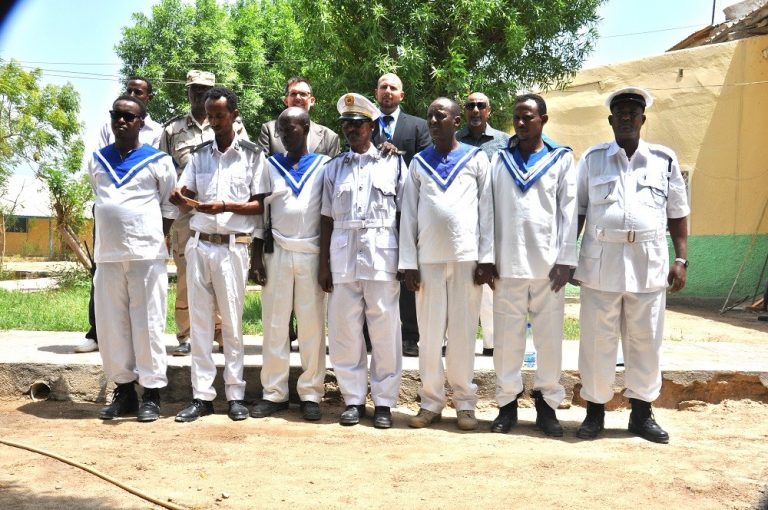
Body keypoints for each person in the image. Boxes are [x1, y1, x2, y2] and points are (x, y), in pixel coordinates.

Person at [573, 87, 689, 444]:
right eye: (620, 112)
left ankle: (641, 414)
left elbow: (678, 214)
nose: (626, 117)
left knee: (645, 340)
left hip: (648, 263)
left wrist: (681, 258)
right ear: (611, 120)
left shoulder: (663, 160)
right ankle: (595, 412)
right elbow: (577, 211)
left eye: (632, 112)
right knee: (596, 340)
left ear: (643, 119)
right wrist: (567, 259)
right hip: (600, 262)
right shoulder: (592, 160)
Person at [399, 97, 494, 431]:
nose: (433, 122)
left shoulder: (476, 159)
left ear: (457, 121)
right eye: (429, 117)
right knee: (428, 335)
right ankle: (430, 402)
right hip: (428, 262)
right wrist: (408, 263)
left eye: (440, 116)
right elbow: (408, 215)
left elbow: (487, 212)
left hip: (467, 259)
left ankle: (465, 404)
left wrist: (487, 259)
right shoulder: (418, 163)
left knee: (463, 335)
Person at [172, 87, 265, 422]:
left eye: (219, 115)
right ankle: (202, 396)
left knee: (233, 325)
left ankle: (236, 394)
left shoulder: (253, 155)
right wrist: (180, 196)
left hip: (232, 247)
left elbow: (259, 205)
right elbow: (187, 190)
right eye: (210, 115)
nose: (213, 121)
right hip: (199, 244)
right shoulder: (199, 155)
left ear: (234, 115)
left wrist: (225, 206)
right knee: (200, 324)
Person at [489, 94, 577, 437]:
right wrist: (488, 258)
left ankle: (546, 405)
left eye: (528, 117)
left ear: (544, 119)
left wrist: (566, 259)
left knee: (549, 340)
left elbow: (569, 213)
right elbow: (488, 211)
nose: (521, 123)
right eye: (516, 118)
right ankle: (506, 405)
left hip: (548, 268)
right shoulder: (500, 160)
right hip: (506, 265)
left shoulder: (560, 159)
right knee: (507, 340)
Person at [86, 95, 177, 421]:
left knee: (148, 323)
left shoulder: (159, 161)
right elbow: (100, 201)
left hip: (146, 255)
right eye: (117, 116)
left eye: (129, 117)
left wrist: (155, 238)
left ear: (142, 122)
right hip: (108, 255)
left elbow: (169, 206)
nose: (122, 121)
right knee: (112, 325)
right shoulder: (97, 160)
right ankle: (123, 391)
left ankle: (151, 393)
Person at [319, 92, 405, 429]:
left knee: (384, 329)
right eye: (346, 125)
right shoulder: (333, 168)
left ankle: (384, 401)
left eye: (358, 124)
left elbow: (406, 214)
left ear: (372, 126)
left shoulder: (393, 162)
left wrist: (407, 260)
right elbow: (326, 217)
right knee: (345, 330)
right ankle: (353, 399)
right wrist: (323, 265)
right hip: (342, 253)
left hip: (381, 252)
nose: (352, 130)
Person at [160, 70, 249, 356]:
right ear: (187, 92)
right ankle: (186, 335)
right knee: (188, 273)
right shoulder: (173, 129)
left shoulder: (234, 124)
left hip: (225, 215)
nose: (198, 95)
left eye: (204, 90)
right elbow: (163, 172)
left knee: (222, 274)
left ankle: (221, 333)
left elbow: (244, 162)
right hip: (186, 215)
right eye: (193, 90)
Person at [249, 107, 329, 421]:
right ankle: (274, 393)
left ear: (307, 127)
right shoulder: (269, 165)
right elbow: (260, 212)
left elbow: (327, 216)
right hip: (276, 250)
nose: (285, 135)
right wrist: (256, 257)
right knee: (274, 324)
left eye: (291, 128)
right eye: (281, 130)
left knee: (311, 327)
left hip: (311, 252)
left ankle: (310, 393)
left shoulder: (324, 165)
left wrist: (327, 263)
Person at [75, 76, 163, 354]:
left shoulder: (158, 132)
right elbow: (100, 171)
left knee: (142, 286)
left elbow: (162, 181)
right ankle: (97, 332)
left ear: (148, 99)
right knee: (103, 272)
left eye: (139, 92)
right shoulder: (107, 127)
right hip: (111, 216)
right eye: (130, 90)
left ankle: (140, 346)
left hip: (143, 219)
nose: (134, 94)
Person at [371, 73, 431, 358]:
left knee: (407, 272)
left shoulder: (418, 126)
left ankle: (410, 336)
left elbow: (425, 164)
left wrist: (399, 156)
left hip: (406, 212)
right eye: (383, 87)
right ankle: (370, 335)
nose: (387, 92)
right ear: (376, 92)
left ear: (401, 95)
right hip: (372, 214)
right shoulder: (364, 125)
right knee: (374, 272)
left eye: (393, 87)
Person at [457, 91, 511, 357]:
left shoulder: (504, 141)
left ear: (489, 110)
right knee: (463, 284)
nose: (475, 110)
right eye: (470, 106)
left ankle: (492, 343)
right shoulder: (455, 141)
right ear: (464, 111)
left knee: (491, 283)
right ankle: (458, 342)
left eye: (481, 105)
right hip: (463, 224)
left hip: (495, 222)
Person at [258, 76, 340, 157]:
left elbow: (335, 169)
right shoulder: (269, 130)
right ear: (286, 100)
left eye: (303, 94)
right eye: (293, 94)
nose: (298, 98)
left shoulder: (330, 137)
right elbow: (261, 166)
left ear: (312, 101)